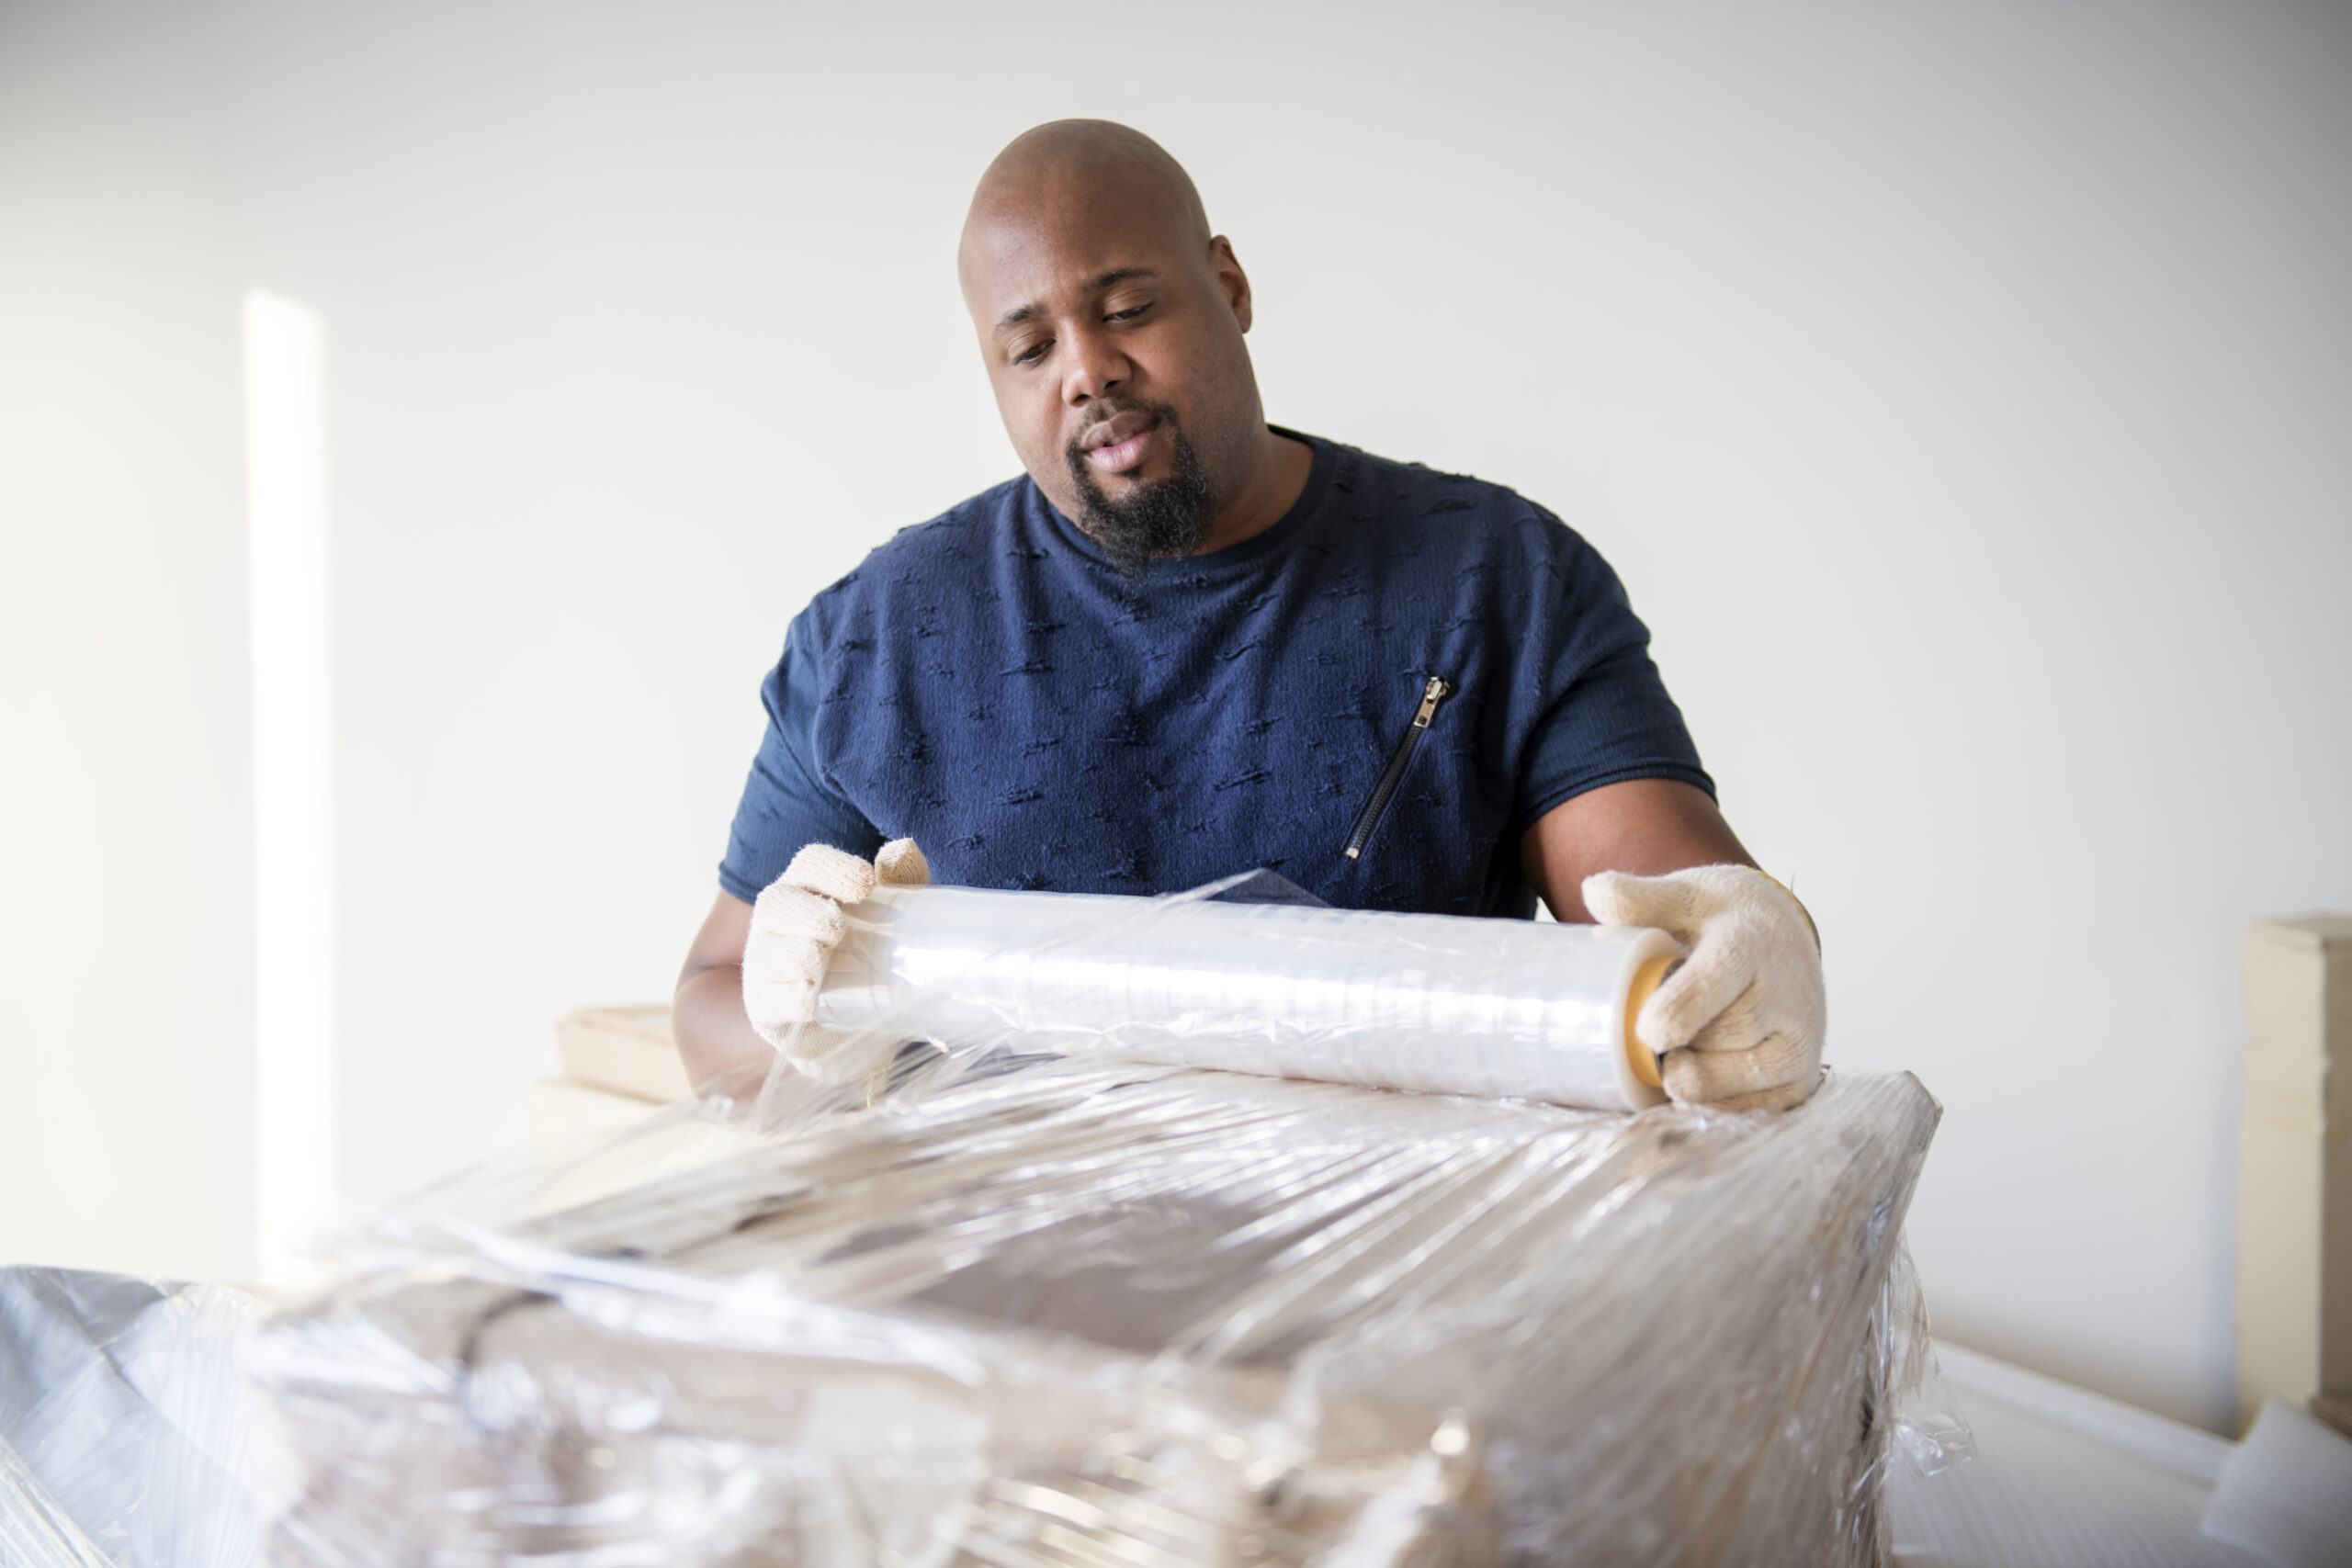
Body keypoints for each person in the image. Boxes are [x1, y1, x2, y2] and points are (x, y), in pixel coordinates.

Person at [674, 119, 1824, 1110]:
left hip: (1395, 1307)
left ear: (1227, 286)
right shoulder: (872, 642)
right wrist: (814, 1028)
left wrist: (1742, 951)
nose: (1086, 372)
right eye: (1029, 348)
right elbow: (709, 1005)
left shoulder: (1498, 581)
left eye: (1125, 306)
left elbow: (1667, 930)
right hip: (1005, 1319)